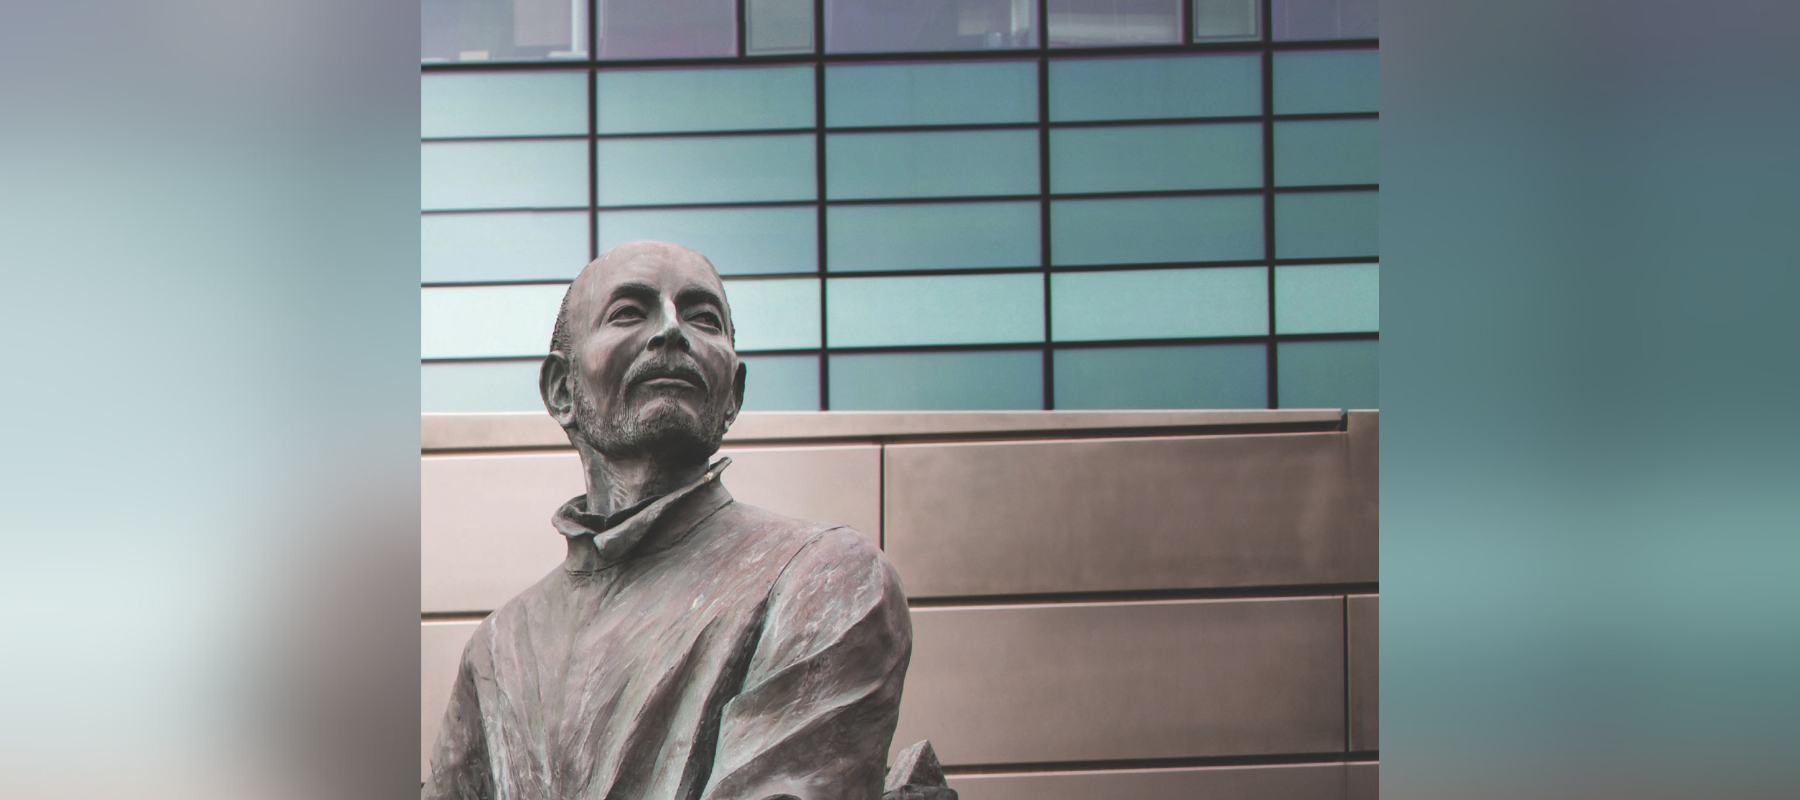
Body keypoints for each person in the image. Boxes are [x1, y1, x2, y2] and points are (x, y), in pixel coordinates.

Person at [424, 241, 913, 800]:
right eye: (629, 312)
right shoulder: (498, 648)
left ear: (733, 394)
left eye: (704, 319)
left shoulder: (824, 579)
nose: (673, 332)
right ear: (563, 390)